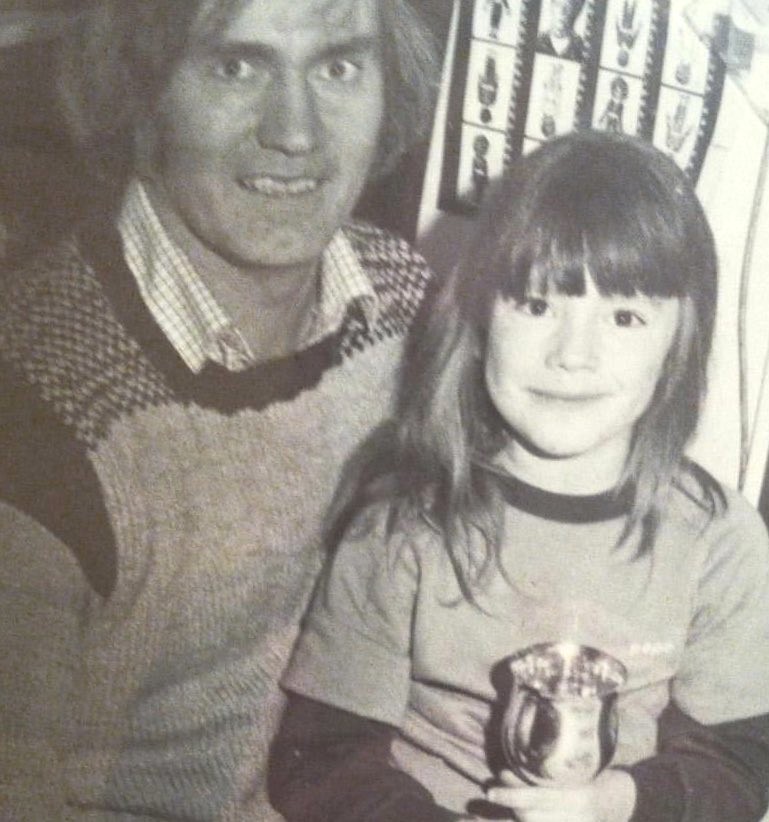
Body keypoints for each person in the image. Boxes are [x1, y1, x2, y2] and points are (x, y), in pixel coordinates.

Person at [0, 0, 438, 818]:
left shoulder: (411, 310)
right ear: (143, 92)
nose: (295, 133)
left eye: (337, 66)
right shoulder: (35, 410)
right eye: (235, 67)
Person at [269, 131, 769, 821]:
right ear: (478, 316)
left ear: (681, 343)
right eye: (536, 305)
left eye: (624, 316)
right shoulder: (403, 524)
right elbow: (320, 762)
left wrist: (618, 804)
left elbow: (743, 764)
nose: (572, 355)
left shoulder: (719, 541)